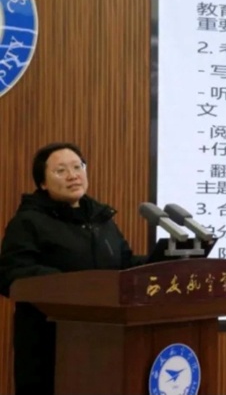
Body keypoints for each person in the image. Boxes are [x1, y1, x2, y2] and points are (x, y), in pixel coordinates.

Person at [0, 142, 146, 395]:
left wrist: (162, 262)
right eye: (61, 171)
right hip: (49, 343)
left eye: (78, 167)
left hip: (105, 341)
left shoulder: (101, 221)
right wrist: (70, 286)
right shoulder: (28, 222)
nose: (73, 175)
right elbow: (11, 274)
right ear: (43, 183)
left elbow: (124, 264)